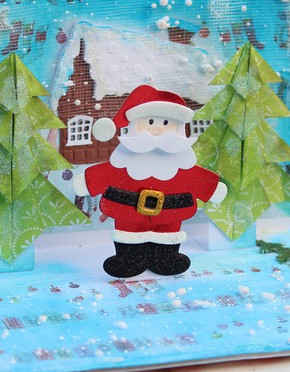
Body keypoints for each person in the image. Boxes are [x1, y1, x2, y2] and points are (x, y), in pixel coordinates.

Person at [73, 85, 227, 277]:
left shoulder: (182, 163)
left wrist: (212, 188)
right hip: (128, 213)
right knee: (129, 237)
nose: (157, 128)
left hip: (170, 214)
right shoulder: (123, 161)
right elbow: (107, 174)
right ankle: (128, 259)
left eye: (166, 123)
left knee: (167, 238)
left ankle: (166, 258)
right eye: (150, 121)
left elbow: (196, 178)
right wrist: (87, 182)